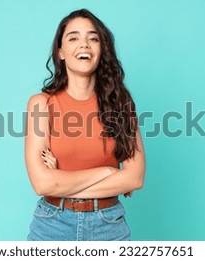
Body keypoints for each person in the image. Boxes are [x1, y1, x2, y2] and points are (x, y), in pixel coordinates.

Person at [25, 9, 145, 241]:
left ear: (102, 49)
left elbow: (134, 178)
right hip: (53, 225)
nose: (84, 44)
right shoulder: (41, 104)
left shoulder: (121, 103)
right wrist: (109, 172)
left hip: (109, 225)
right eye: (73, 38)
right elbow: (42, 184)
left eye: (93, 38)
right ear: (60, 52)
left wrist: (62, 179)